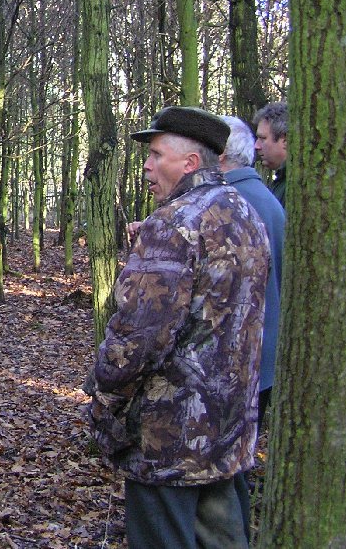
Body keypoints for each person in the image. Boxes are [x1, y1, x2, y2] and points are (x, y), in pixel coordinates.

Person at [85, 106, 269, 548]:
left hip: (168, 435)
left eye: (156, 155)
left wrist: (103, 395)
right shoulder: (244, 213)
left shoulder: (174, 223)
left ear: (190, 162)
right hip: (228, 429)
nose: (146, 166)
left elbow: (138, 336)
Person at [220, 115, 284, 427]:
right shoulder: (264, 197)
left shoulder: (230, 203)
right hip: (262, 355)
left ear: (219, 153)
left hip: (239, 358)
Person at [252, 101, 288, 206]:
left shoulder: (297, 184)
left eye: (262, 138)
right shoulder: (281, 181)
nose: (256, 146)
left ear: (285, 140)